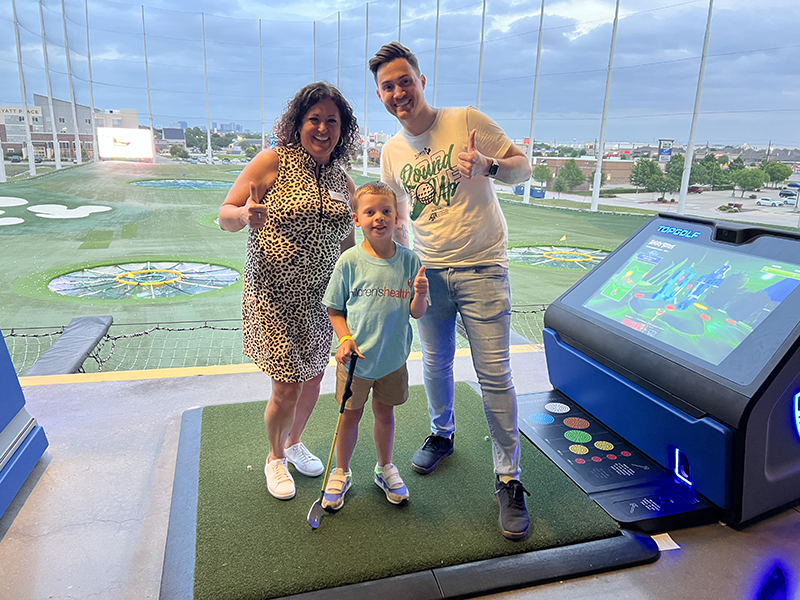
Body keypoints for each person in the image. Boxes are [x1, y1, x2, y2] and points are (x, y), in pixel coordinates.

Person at [368, 42, 534, 540]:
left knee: (495, 375)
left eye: (405, 81)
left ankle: (509, 479)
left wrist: (488, 167)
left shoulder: (465, 119)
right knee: (435, 363)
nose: (399, 93)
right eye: (387, 87)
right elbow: (397, 218)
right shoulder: (392, 151)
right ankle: (443, 434)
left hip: (483, 267)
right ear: (381, 95)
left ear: (422, 80)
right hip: (428, 271)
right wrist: (394, 269)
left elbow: (523, 167)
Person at [218, 82, 359, 501]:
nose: (322, 128)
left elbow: (349, 241)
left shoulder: (341, 177)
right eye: (313, 119)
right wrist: (245, 215)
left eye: (331, 121)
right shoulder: (271, 162)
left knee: (314, 376)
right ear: (297, 124)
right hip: (272, 294)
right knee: (287, 386)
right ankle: (274, 457)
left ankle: (295, 441)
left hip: (322, 298)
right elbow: (224, 215)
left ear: (342, 129)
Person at [321, 181, 428, 512]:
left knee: (385, 414)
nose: (378, 217)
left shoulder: (410, 261)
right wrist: (344, 338)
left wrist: (421, 294)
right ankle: (341, 471)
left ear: (397, 217)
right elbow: (334, 309)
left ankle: (385, 468)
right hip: (356, 362)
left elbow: (416, 312)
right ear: (357, 219)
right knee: (349, 418)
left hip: (393, 360)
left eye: (386, 211)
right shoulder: (349, 261)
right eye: (370, 212)